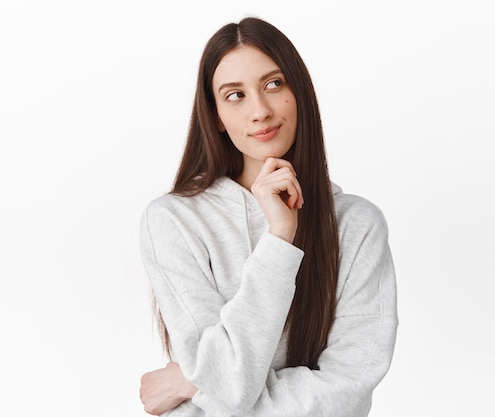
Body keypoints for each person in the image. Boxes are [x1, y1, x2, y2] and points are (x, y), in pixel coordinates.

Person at [138, 16, 398, 417]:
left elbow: (346, 393)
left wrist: (191, 381)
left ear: (300, 92)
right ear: (216, 118)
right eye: (235, 95)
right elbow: (228, 383)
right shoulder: (174, 221)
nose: (259, 110)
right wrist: (279, 238)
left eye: (274, 84)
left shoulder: (356, 226)